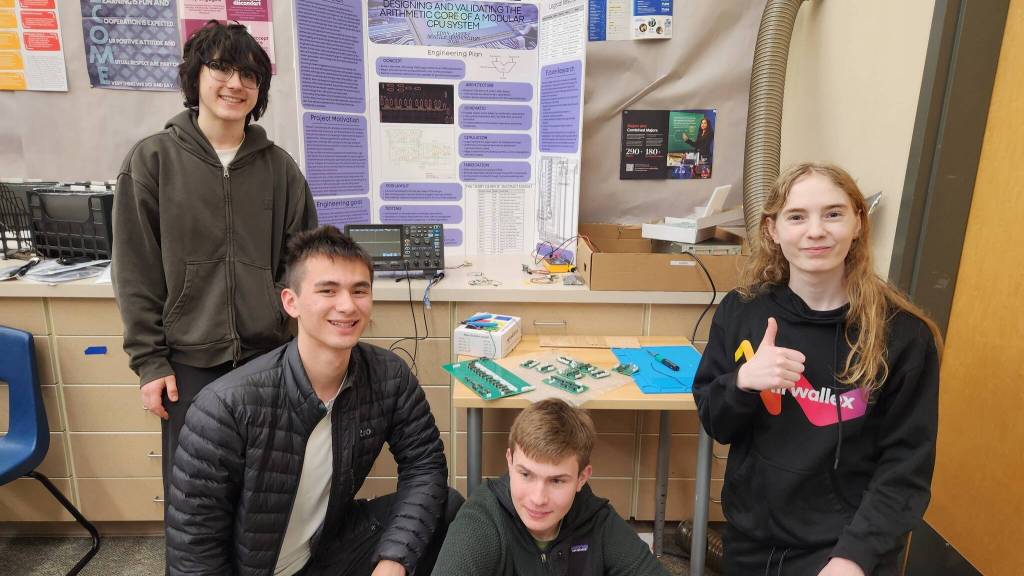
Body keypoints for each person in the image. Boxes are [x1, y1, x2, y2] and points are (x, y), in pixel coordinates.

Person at [166, 225, 459, 576]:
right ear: (291, 302)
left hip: (325, 549)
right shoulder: (225, 407)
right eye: (328, 291)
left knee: (448, 507)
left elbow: (424, 466)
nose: (347, 305)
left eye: (359, 290)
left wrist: (393, 560)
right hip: (253, 567)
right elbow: (195, 550)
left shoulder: (388, 376)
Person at [693, 162, 942, 576]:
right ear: (773, 229)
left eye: (833, 213)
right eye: (797, 217)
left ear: (858, 222)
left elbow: (906, 467)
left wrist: (854, 557)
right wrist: (742, 383)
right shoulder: (743, 313)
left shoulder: (904, 336)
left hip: (844, 550)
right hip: (751, 542)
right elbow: (716, 422)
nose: (815, 231)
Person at [111, 20, 316, 507]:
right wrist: (150, 361)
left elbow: (304, 266)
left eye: (249, 74)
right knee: (195, 499)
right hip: (189, 363)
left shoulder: (279, 168)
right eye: (221, 68)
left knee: (266, 494)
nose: (236, 84)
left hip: (267, 358)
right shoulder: (152, 161)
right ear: (195, 77)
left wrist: (301, 348)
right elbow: (135, 269)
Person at [431, 398, 669, 576]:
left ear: (582, 478)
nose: (538, 498)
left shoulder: (597, 520)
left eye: (556, 481)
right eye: (525, 474)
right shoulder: (481, 521)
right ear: (510, 461)